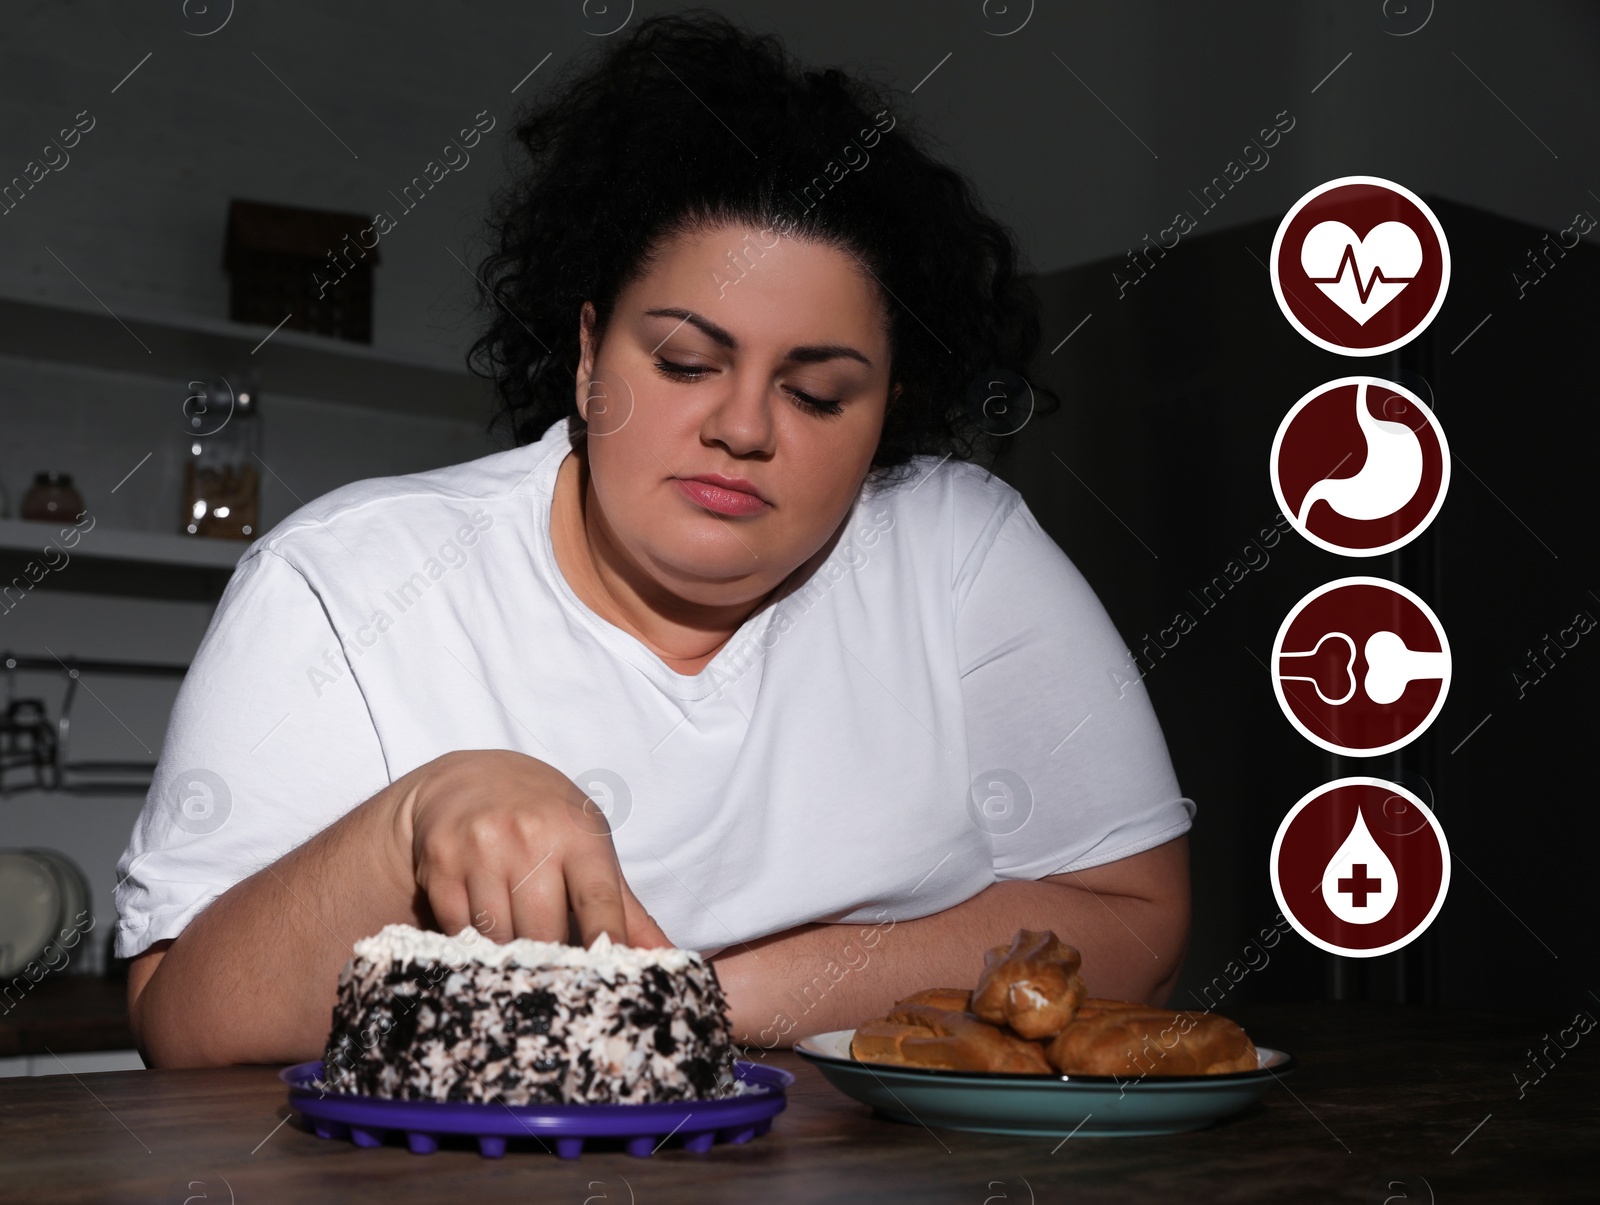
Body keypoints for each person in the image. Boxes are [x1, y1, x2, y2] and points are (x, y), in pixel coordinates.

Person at [118, 11, 1194, 1067]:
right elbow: (181, 1020)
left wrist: (701, 996)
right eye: (685, 362)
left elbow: (1133, 922)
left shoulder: (958, 549)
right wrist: (409, 818)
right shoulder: (342, 583)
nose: (741, 427)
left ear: (888, 414)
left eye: (817, 393)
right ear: (589, 355)